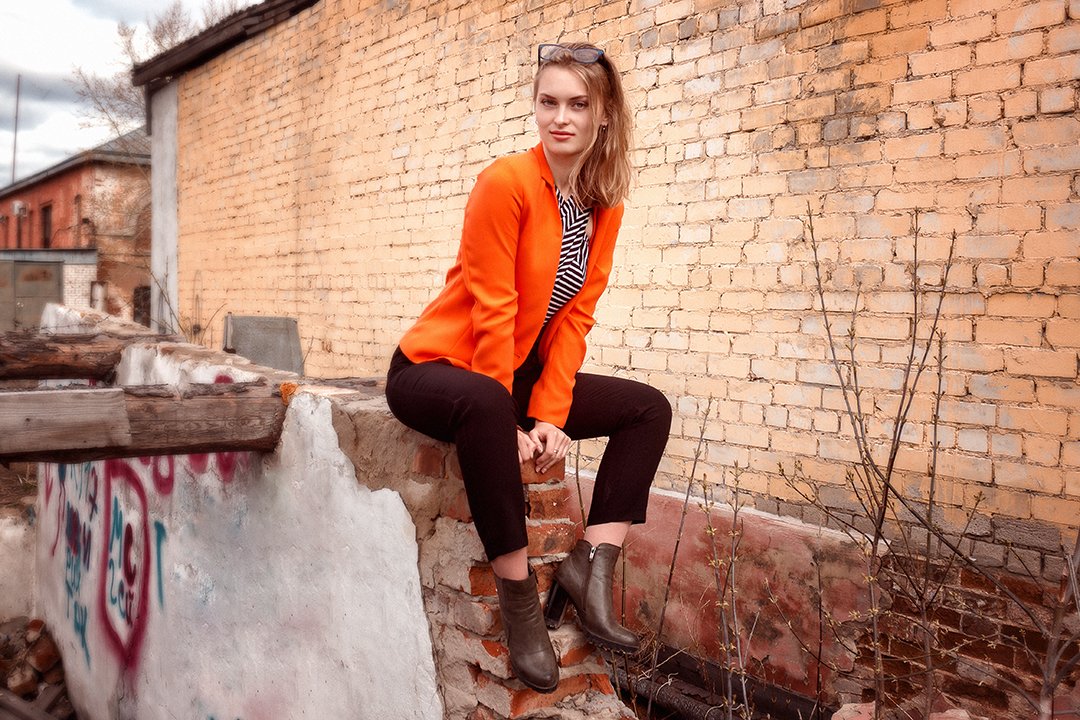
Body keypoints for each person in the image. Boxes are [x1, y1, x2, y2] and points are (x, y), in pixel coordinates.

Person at [385, 42, 672, 693]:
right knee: (487, 404)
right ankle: (519, 604)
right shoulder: (506, 182)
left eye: (577, 104)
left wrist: (547, 415)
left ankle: (590, 567)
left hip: (511, 377)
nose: (560, 117)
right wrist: (510, 417)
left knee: (647, 408)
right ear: (535, 106)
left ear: (603, 114)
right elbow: (495, 308)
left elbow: (575, 319)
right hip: (437, 366)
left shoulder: (603, 203)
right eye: (548, 102)